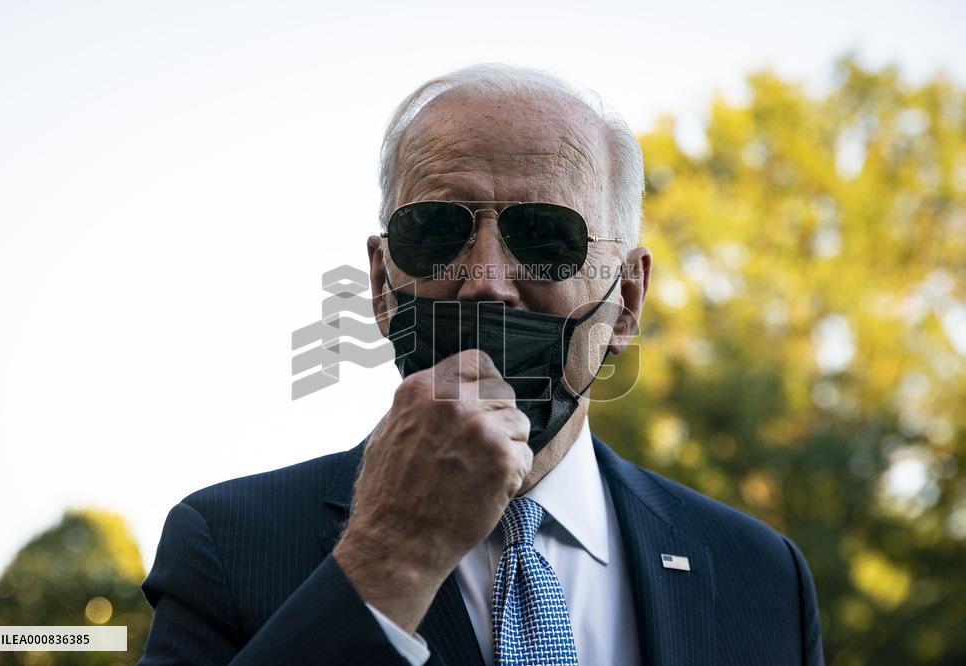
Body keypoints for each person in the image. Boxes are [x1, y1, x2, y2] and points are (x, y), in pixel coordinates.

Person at [139, 64, 825, 666]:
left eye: (547, 235)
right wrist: (387, 559)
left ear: (627, 301)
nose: (486, 281)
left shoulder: (759, 579)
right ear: (381, 286)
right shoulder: (227, 546)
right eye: (437, 229)